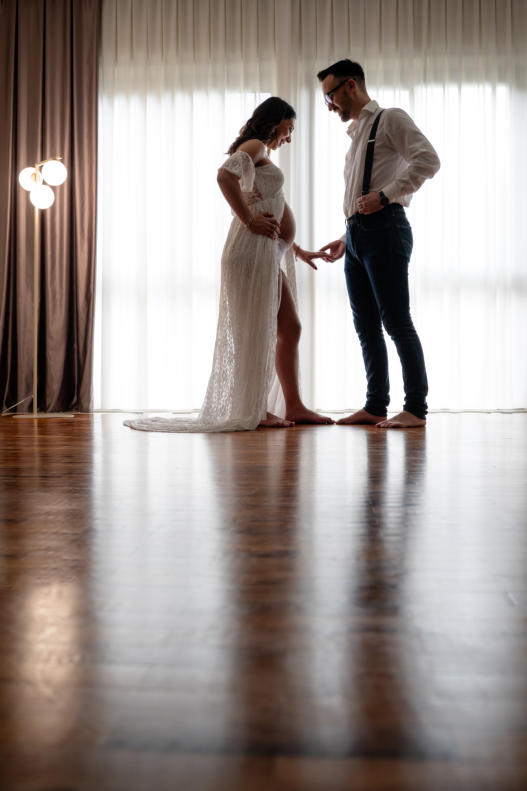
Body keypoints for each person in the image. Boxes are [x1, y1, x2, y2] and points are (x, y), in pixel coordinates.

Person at [125, 97, 333, 433]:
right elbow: (224, 177)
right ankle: (257, 410)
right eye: (289, 128)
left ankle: (293, 405)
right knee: (259, 330)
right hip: (250, 252)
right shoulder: (255, 145)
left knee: (289, 327)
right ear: (276, 121)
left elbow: (273, 204)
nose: (289, 137)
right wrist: (250, 220)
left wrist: (297, 249)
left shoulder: (261, 154)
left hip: (267, 253)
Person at [314, 60, 440, 428]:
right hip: (357, 236)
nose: (330, 105)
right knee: (365, 325)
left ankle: (415, 409)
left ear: (350, 86)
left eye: (331, 95)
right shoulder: (357, 135)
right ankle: (375, 406)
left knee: (396, 321)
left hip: (386, 228)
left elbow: (429, 160)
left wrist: (385, 197)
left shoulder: (391, 119)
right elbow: (358, 195)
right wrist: (345, 237)